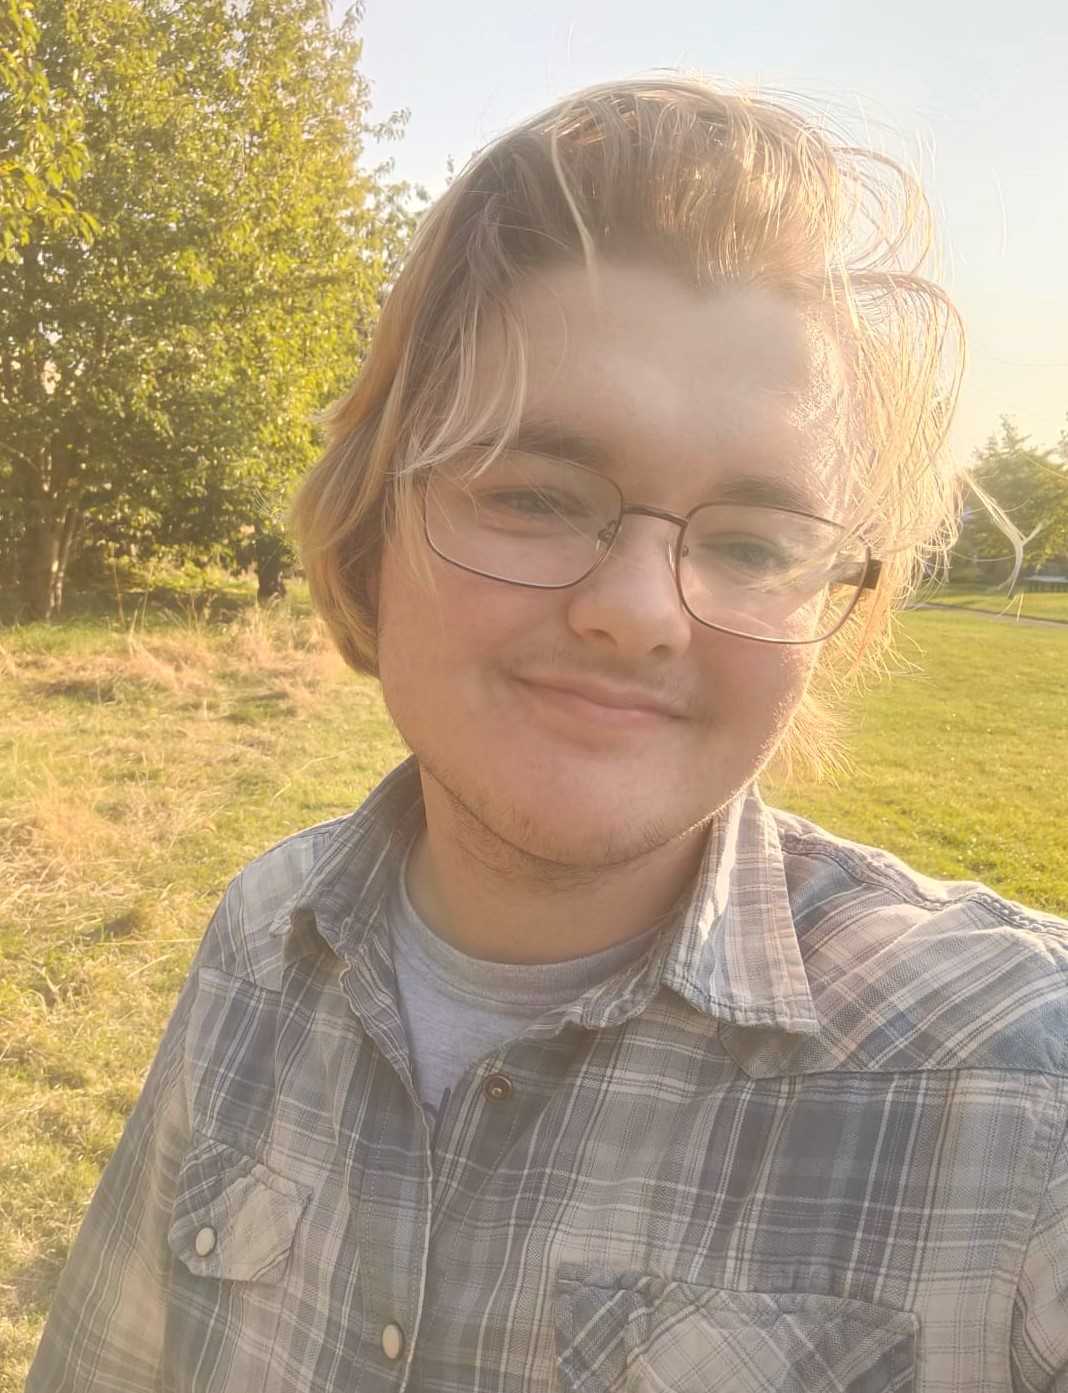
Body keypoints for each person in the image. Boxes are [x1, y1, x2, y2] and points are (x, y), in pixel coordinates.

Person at [27, 76, 1068, 1393]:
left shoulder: (1022, 1104)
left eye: (752, 541)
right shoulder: (259, 940)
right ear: (371, 526)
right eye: (534, 492)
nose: (636, 612)